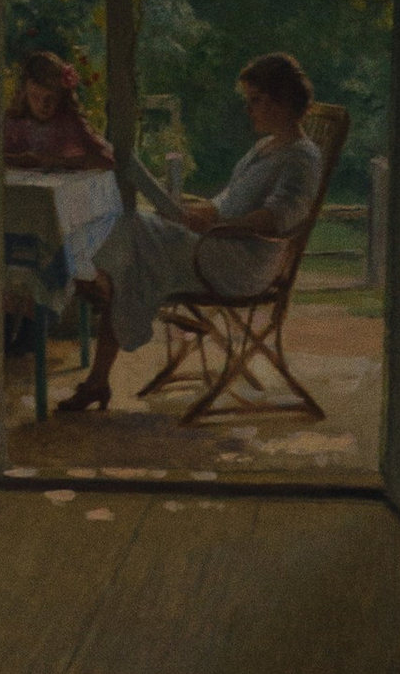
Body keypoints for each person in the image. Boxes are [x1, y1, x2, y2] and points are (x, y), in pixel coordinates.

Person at [60, 48, 323, 414]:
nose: (249, 109)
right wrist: (193, 215)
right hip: (218, 244)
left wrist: (217, 225)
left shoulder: (302, 157)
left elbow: (277, 219)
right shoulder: (265, 147)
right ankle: (98, 377)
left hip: (245, 262)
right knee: (135, 239)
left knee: (133, 231)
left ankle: (98, 287)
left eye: (257, 100)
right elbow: (228, 199)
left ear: (283, 101)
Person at [3, 48, 112, 172]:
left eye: (50, 98)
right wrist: (20, 160)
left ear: (61, 96)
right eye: (35, 97)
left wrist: (57, 162)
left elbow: (107, 159)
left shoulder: (71, 122)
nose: (43, 105)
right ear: (25, 94)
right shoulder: (14, 123)